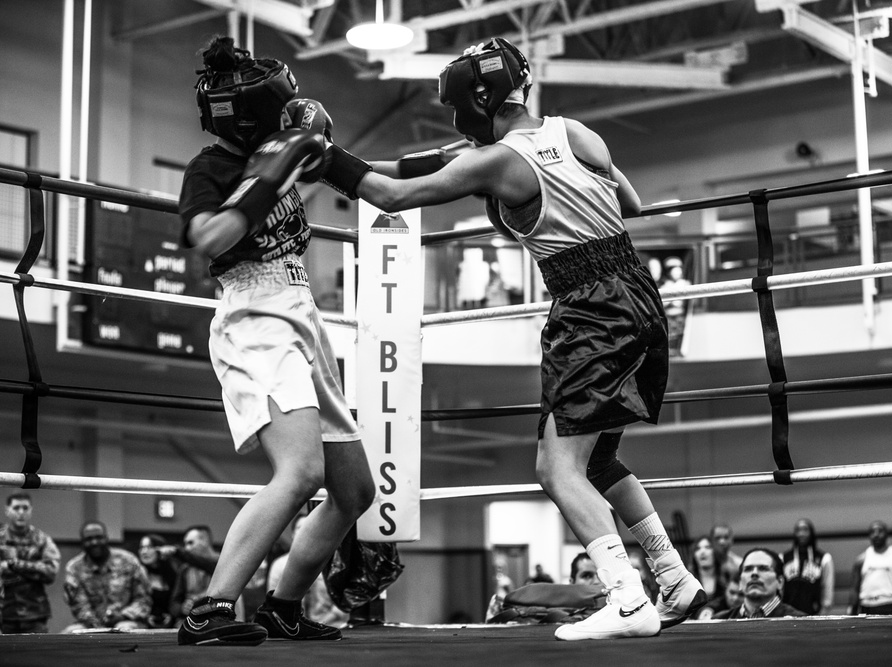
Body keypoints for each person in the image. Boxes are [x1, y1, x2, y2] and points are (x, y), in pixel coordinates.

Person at [319, 36, 706, 640]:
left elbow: (389, 193)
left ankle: (628, 601)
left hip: (590, 309)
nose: (455, 119)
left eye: (457, 108)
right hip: (637, 293)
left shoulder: (496, 162)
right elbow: (629, 201)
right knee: (595, 457)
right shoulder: (575, 132)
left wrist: (316, 154)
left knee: (557, 470)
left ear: (479, 97)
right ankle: (672, 575)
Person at [176, 35, 375, 646]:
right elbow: (206, 238)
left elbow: (381, 183)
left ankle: (282, 605)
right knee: (299, 473)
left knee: (354, 491)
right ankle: (210, 609)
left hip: (302, 314)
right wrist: (269, 173)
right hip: (255, 319)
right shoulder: (211, 167)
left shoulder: (286, 149)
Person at [62, 521, 152, 632]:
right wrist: (96, 623)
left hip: (127, 620)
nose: (94, 542)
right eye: (89, 539)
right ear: (82, 542)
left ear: (107, 538)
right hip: (90, 624)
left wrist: (123, 616)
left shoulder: (128, 561)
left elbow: (143, 599)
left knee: (123, 629)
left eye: (99, 537)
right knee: (69, 632)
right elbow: (79, 605)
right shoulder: (74, 568)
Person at [267, 514, 348, 628]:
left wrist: (318, 625)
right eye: (300, 528)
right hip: (292, 631)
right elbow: (273, 603)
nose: (305, 532)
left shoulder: (334, 563)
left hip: (333, 628)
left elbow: (345, 602)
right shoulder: (279, 565)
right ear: (292, 534)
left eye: (309, 528)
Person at [0, 492, 61, 634]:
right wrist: (32, 569)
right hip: (4, 613)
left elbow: (51, 573)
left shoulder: (42, 539)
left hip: (34, 614)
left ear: (31, 510)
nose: (21, 512)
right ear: (7, 510)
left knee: (37, 655)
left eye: (25, 508)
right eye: (16, 508)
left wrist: (13, 565)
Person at [712, 548, 806, 620]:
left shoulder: (800, 621)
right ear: (740, 583)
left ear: (780, 582)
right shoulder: (719, 621)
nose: (754, 573)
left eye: (763, 568)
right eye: (748, 569)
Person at [848, 520, 892, 615]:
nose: (876, 535)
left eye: (880, 531)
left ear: (886, 534)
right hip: (867, 605)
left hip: (890, 604)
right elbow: (854, 589)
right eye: (872, 532)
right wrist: (851, 610)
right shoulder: (861, 560)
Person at [782, 518, 834, 615]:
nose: (801, 534)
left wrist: (824, 611)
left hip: (813, 612)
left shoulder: (824, 558)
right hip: (787, 613)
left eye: (805, 530)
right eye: (798, 530)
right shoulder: (784, 558)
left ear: (811, 533)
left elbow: (827, 587)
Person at [136, 533, 178, 628]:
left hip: (170, 623)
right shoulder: (137, 574)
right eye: (141, 547)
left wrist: (171, 617)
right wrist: (146, 618)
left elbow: (177, 601)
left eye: (149, 547)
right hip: (141, 622)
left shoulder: (173, 574)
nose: (144, 552)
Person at [687, 536, 728, 619]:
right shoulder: (687, 581)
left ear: (715, 552)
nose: (702, 552)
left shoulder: (727, 577)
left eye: (707, 547)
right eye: (697, 549)